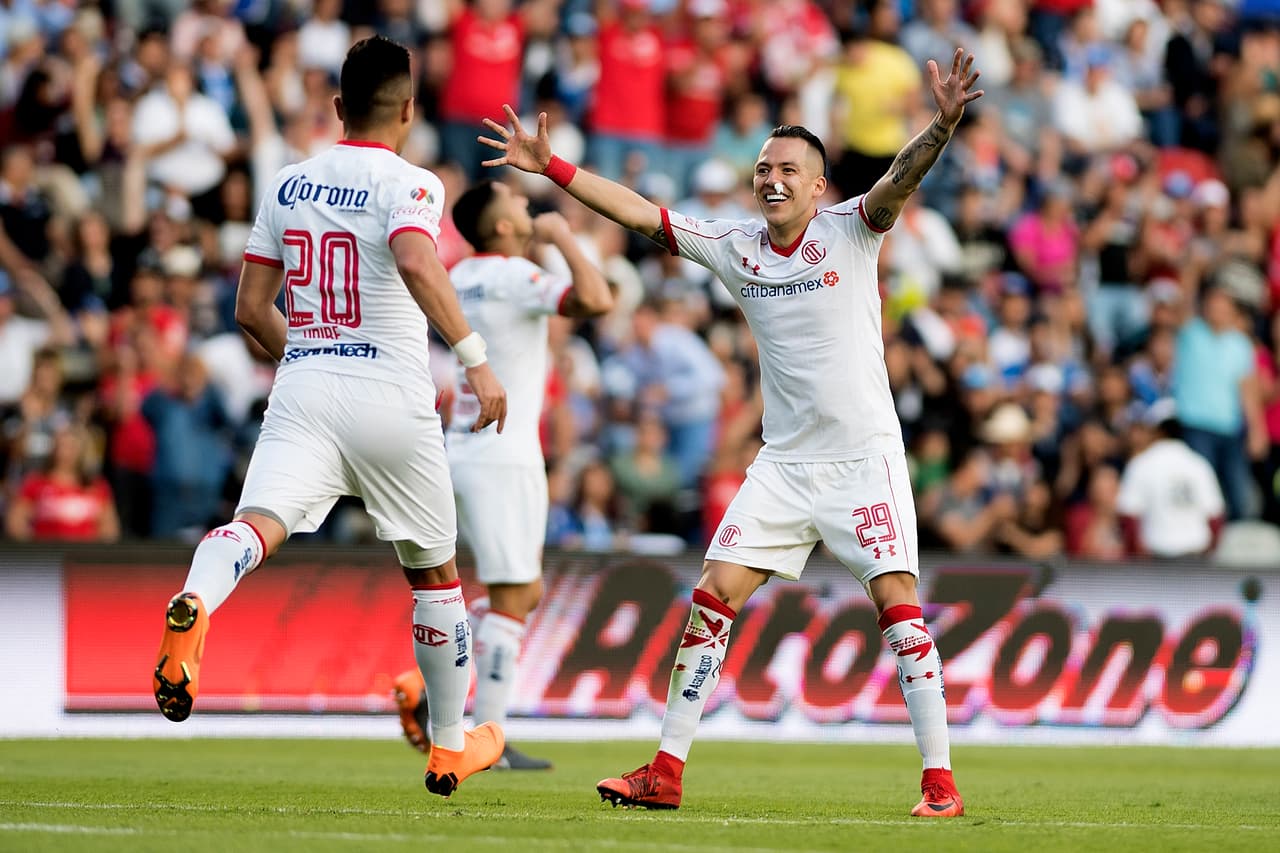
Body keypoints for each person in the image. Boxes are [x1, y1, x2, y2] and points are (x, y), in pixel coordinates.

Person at [478, 47, 984, 817]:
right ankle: (666, 769)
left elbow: (900, 179)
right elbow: (642, 213)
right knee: (713, 592)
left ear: (818, 185)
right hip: (783, 463)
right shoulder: (735, 245)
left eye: (788, 169)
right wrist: (556, 170)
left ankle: (939, 783)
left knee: (898, 606)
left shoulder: (854, 228)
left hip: (861, 459)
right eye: (762, 169)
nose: (771, 179)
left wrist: (940, 127)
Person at [150, 36, 509, 799]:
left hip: (306, 382)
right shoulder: (412, 182)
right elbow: (415, 261)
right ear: (409, 109)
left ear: (338, 107)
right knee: (436, 577)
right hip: (391, 394)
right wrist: (474, 355)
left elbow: (251, 308)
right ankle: (449, 748)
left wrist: (309, 355)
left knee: (256, 525)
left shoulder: (286, 183)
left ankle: (195, 602)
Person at [391, 177, 612, 770]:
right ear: (504, 227)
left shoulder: (457, 275)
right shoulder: (515, 276)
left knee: (522, 589)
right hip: (505, 453)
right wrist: (563, 234)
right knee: (514, 595)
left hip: (457, 447)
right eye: (517, 200)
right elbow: (596, 300)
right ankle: (488, 738)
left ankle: (424, 683)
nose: (526, 203)